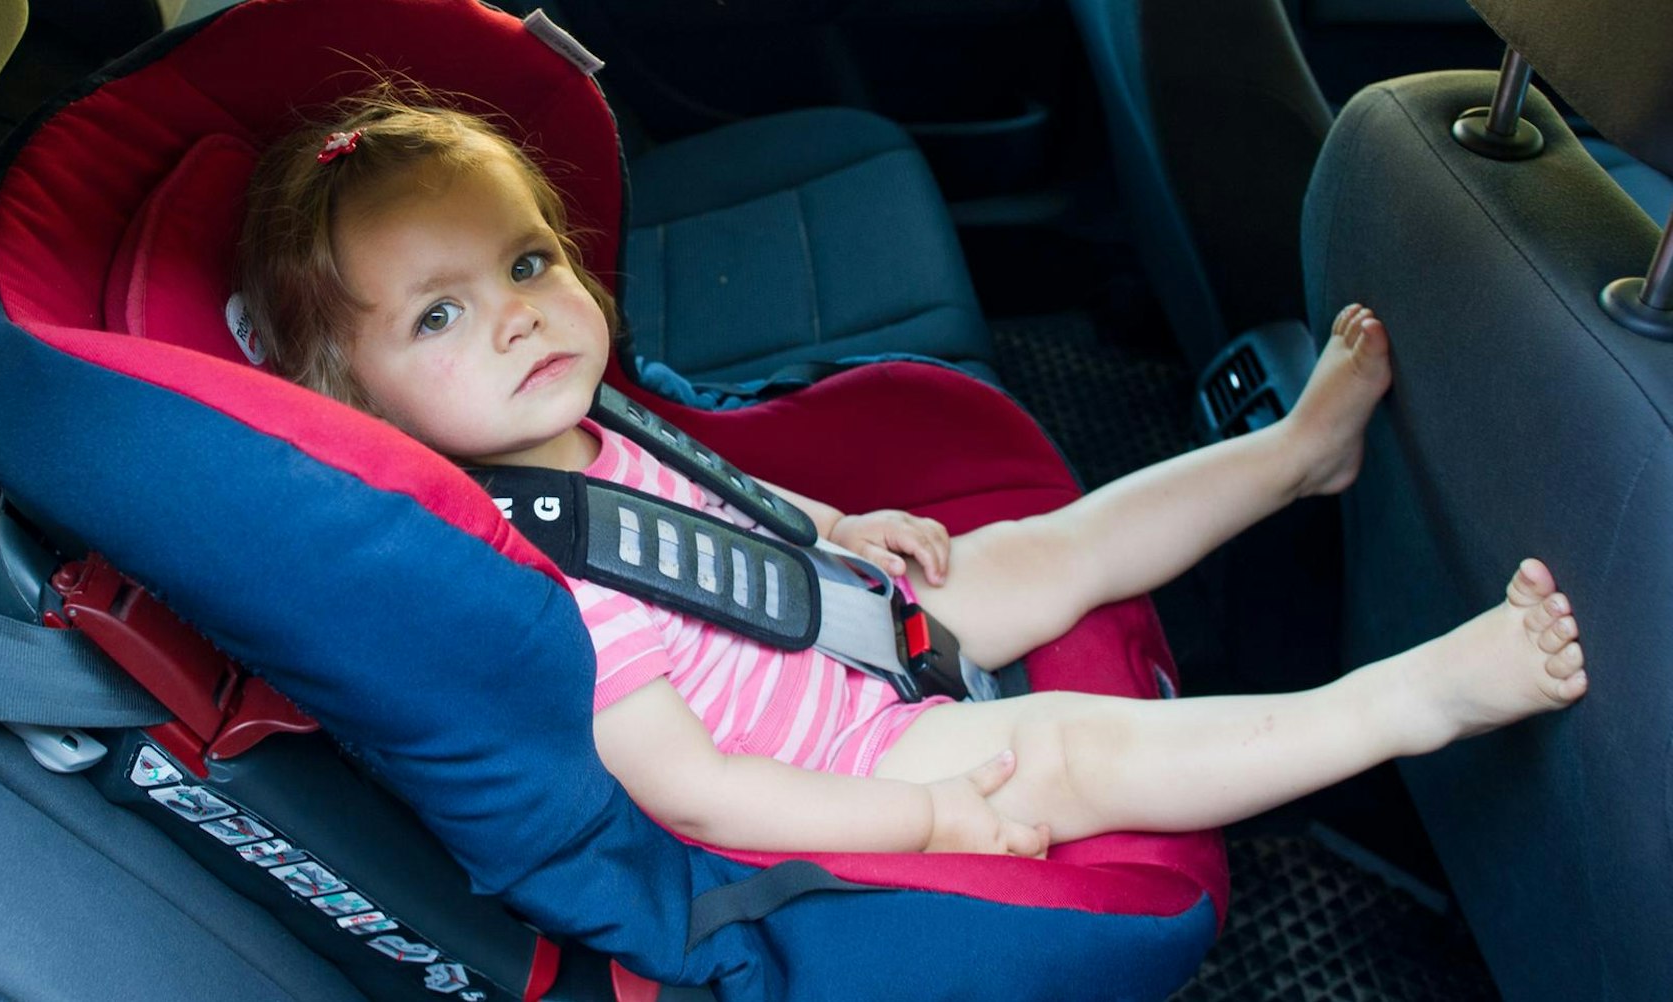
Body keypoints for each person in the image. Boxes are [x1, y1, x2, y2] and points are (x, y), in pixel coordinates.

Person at [237, 93, 1588, 859]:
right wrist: (927, 809)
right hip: (859, 749)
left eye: (527, 263)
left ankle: (1297, 453)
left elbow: (720, 500)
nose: (520, 315)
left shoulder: (583, 425)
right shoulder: (532, 585)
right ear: (358, 409)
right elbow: (701, 790)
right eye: (438, 316)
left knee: (1054, 549)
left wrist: (839, 526)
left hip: (850, 618)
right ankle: (1411, 701)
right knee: (1064, 752)